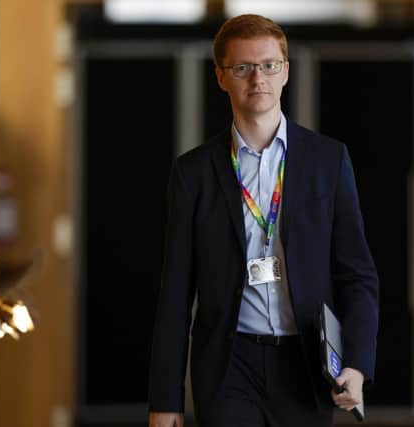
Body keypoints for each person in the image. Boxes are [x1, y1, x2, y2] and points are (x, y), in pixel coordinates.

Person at [148, 14, 379, 427]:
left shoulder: (327, 161)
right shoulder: (193, 173)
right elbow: (175, 293)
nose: (259, 79)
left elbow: (357, 275)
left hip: (306, 363)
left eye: (269, 65)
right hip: (228, 363)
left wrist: (357, 366)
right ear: (221, 77)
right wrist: (165, 401)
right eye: (243, 68)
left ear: (286, 72)